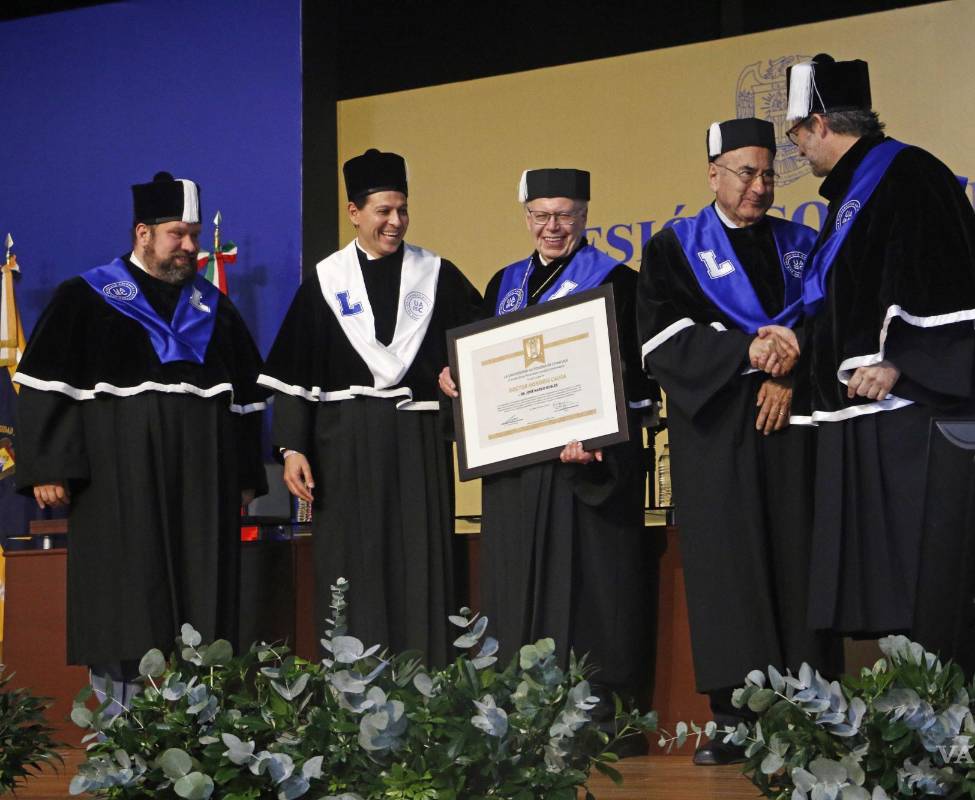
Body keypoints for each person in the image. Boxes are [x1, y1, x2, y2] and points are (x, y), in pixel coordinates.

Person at [783, 54, 975, 636]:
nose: (798, 149)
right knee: (891, 590)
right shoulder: (850, 194)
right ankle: (908, 688)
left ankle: (940, 688)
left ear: (820, 123)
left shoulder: (910, 173)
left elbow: (943, 277)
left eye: (796, 135)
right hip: (873, 413)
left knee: (926, 574)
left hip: (912, 410)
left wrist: (899, 361)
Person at [15, 171, 268, 707]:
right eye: (178, 234)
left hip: (202, 482)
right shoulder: (85, 298)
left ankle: (202, 726)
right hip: (116, 479)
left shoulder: (213, 309)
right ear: (143, 233)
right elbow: (45, 385)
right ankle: (123, 729)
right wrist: (49, 466)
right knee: (125, 595)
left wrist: (246, 476)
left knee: (203, 597)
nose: (190, 247)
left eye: (194, 235)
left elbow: (245, 401)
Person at [637, 119, 841, 765]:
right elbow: (660, 340)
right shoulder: (673, 248)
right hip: (717, 432)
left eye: (769, 174)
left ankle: (812, 708)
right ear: (713, 175)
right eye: (746, 173)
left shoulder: (804, 243)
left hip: (793, 428)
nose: (759, 186)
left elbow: (832, 323)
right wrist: (747, 355)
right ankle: (734, 716)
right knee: (728, 570)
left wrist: (791, 373)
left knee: (800, 562)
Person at [439, 168, 658, 745]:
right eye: (541, 215)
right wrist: (455, 378)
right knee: (515, 589)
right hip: (517, 475)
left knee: (592, 590)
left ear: (585, 215)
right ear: (526, 217)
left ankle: (598, 721)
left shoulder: (620, 282)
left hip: (586, 471)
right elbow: (484, 370)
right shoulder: (502, 284)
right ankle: (521, 718)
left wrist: (602, 437)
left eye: (564, 215)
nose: (552, 227)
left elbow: (639, 381)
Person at [259, 149, 482, 662]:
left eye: (402, 210)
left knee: (421, 555)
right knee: (350, 559)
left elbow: (477, 342)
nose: (395, 221)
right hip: (345, 441)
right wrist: (292, 447)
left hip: (416, 437)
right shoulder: (326, 282)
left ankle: (428, 677)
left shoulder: (437, 275)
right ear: (354, 212)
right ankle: (353, 681)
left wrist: (455, 369)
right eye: (384, 211)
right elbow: (295, 373)